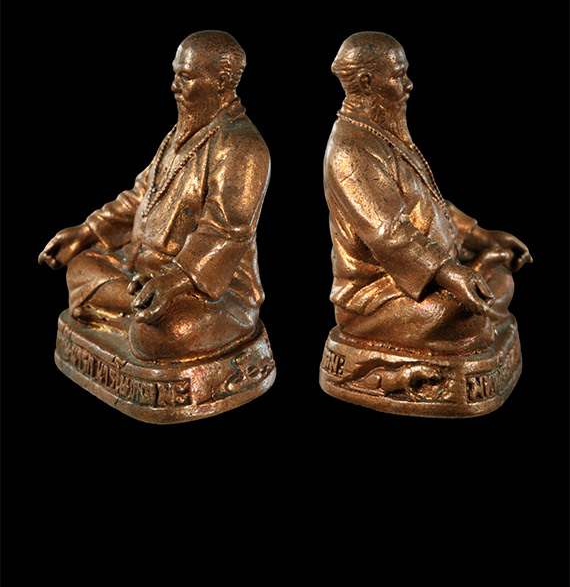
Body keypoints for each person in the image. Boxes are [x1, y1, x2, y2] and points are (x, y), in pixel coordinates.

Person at [39, 30, 271, 361]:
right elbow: (140, 196)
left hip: (208, 292)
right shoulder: (180, 134)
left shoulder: (243, 146)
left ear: (221, 82)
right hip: (142, 272)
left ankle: (137, 317)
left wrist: (173, 281)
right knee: (80, 266)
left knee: (161, 334)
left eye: (186, 77)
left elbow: (225, 231)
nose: (175, 86)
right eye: (175, 75)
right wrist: (87, 232)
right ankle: (138, 309)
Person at [325, 31, 531, 353]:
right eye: (398, 76)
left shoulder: (385, 133)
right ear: (366, 83)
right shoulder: (350, 150)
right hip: (378, 296)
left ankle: (479, 279)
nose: (408, 85)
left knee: (498, 280)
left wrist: (481, 237)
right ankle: (476, 297)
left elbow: (431, 203)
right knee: (468, 317)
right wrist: (450, 273)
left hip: (431, 272)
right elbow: (389, 234)